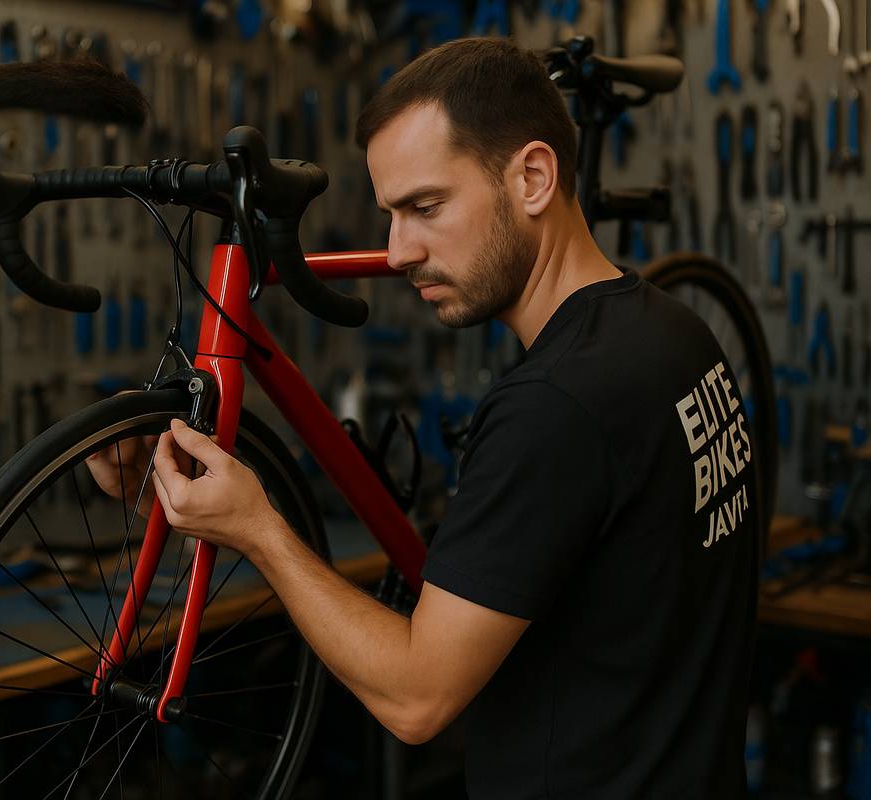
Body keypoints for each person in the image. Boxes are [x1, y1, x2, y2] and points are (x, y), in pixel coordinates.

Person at [87, 36, 758, 798]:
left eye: (425, 207)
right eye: (389, 213)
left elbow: (416, 697)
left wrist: (258, 529)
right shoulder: (677, 335)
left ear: (534, 177)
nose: (399, 251)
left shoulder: (556, 406)